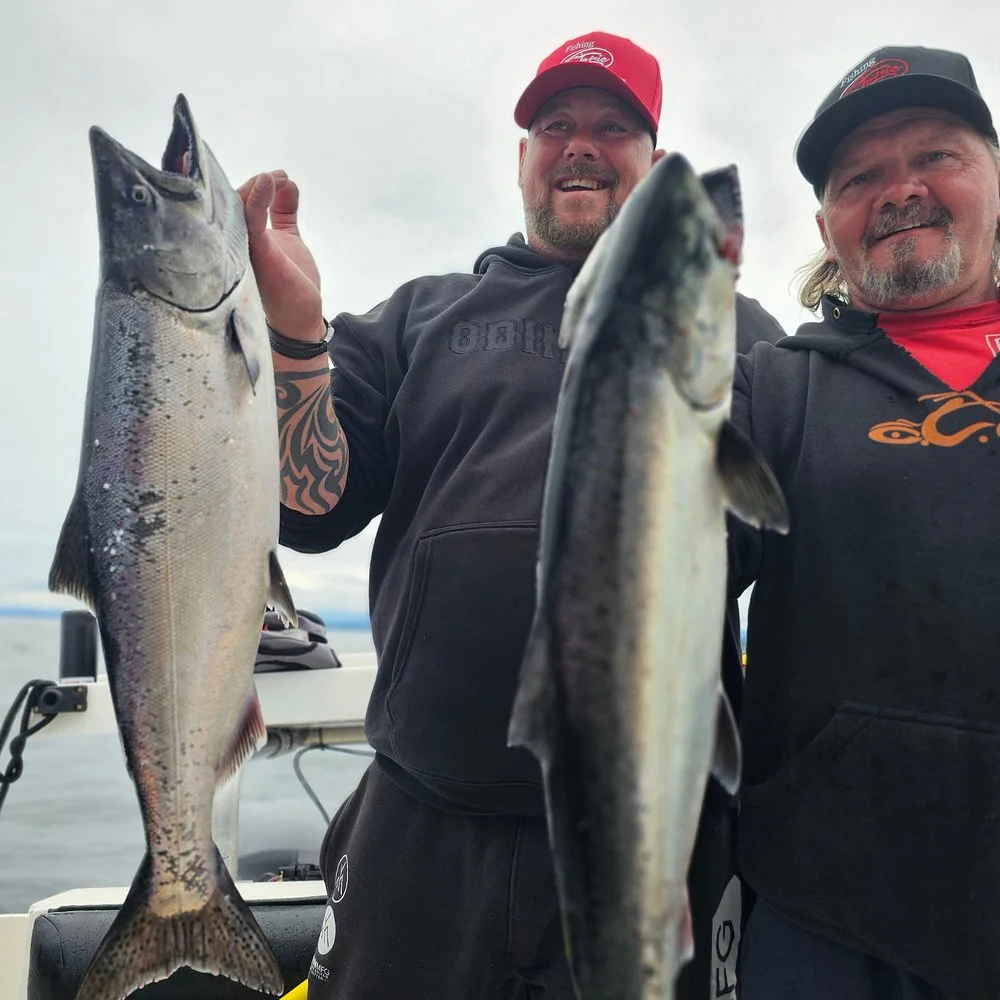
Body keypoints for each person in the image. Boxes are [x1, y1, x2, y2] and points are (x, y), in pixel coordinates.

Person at [240, 31, 784, 999]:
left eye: (612, 127)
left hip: (652, 809)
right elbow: (309, 503)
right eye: (555, 125)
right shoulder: (420, 318)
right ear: (522, 156)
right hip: (422, 822)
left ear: (654, 161)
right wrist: (291, 331)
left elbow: (799, 536)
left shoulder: (739, 336)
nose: (580, 145)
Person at [731, 46, 1000, 1000]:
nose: (900, 190)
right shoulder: (770, 387)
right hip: (830, 910)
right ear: (826, 224)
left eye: (935, 156)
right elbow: (658, 565)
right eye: (860, 179)